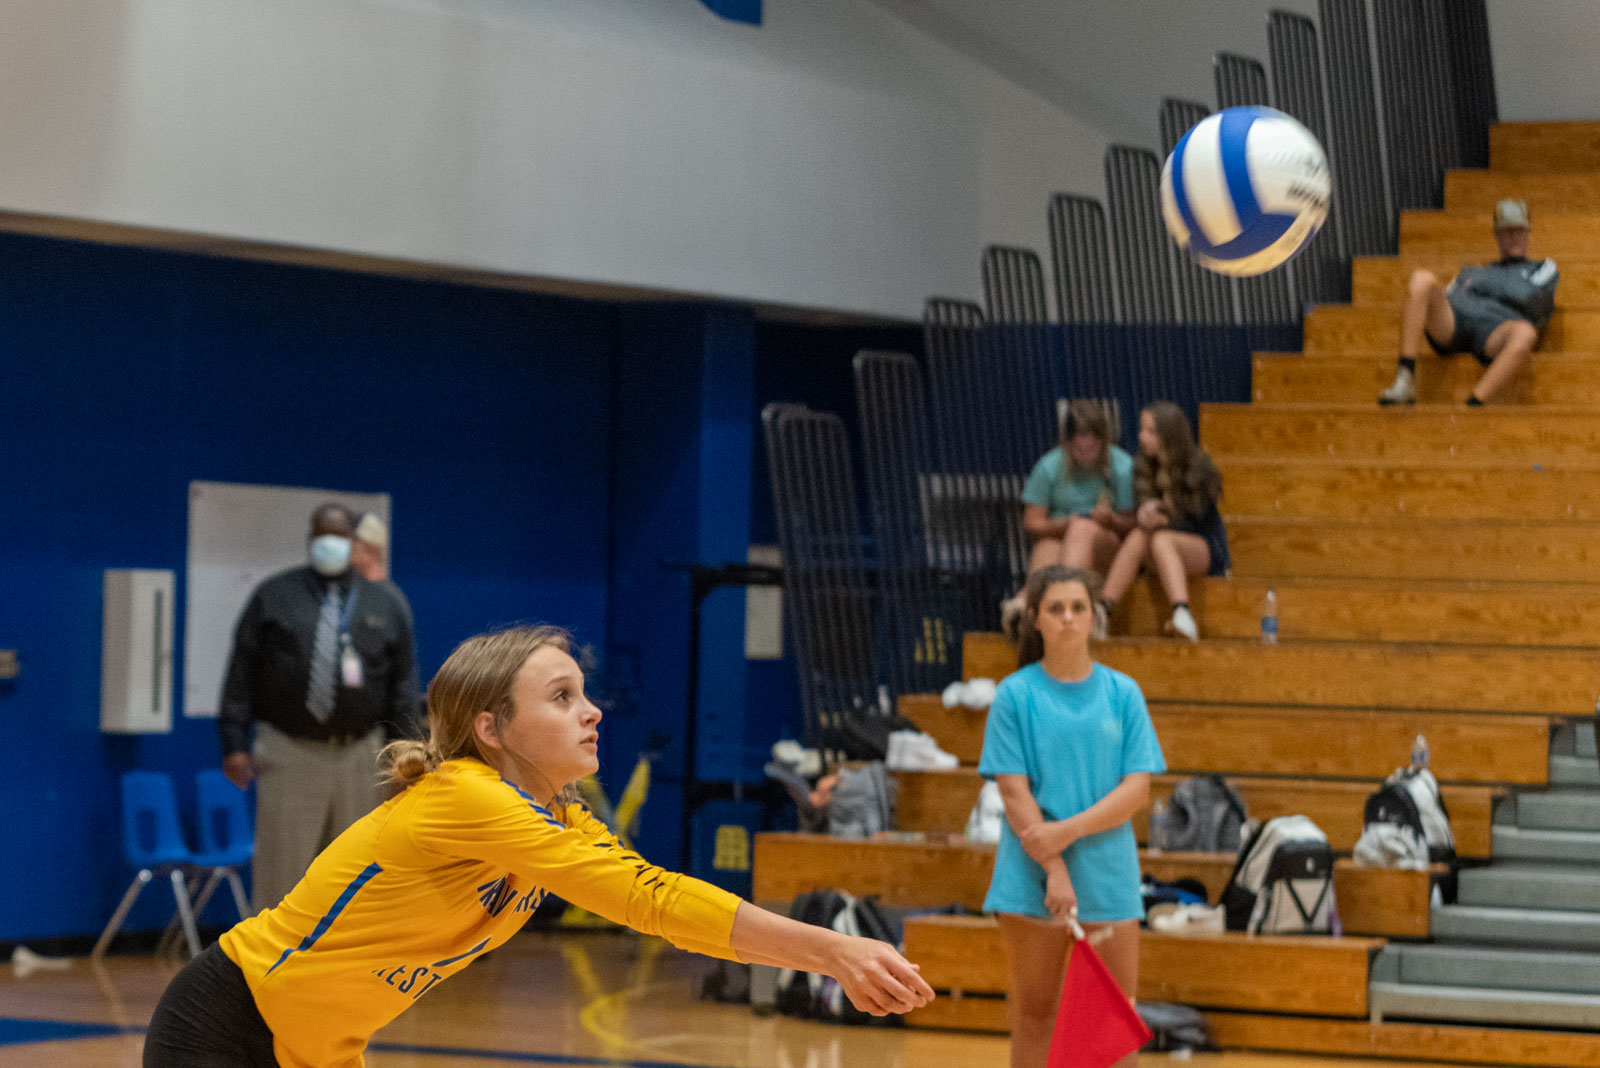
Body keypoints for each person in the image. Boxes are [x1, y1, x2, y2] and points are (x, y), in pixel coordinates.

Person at [149, 625, 932, 1067]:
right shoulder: (466, 796)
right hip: (230, 1023)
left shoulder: (562, 816)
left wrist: (831, 954)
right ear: (491, 728)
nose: (592, 713)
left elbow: (658, 897)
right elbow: (652, 901)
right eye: (562, 698)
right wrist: (833, 951)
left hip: (318, 1048)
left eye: (585, 694)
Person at [980, 565, 1165, 1068]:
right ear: (1035, 620)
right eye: (1056, 608)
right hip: (1031, 877)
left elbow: (1136, 790)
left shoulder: (1122, 693)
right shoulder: (1015, 695)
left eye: (1078, 607)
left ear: (1093, 617)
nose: (1068, 618)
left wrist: (1067, 832)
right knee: (1035, 1016)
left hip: (1108, 875)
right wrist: (1054, 867)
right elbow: (1013, 791)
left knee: (1112, 1021)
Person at [218, 502, 423, 912]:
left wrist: (404, 758)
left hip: (361, 754)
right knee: (282, 880)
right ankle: (277, 954)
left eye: (338, 536)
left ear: (352, 542)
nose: (330, 543)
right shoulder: (274, 595)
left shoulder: (385, 602)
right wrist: (234, 743)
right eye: (321, 535)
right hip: (290, 751)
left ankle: (348, 954)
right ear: (310, 539)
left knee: (358, 878)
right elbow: (241, 672)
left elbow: (403, 685)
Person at [1379, 198, 1559, 406]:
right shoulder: (1474, 271)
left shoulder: (1542, 267)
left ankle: (1474, 403)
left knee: (1526, 333)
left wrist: (1480, 286)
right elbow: (1451, 294)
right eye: (1507, 230)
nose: (1514, 236)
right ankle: (1404, 380)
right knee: (1421, 279)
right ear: (1496, 234)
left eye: (1519, 230)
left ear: (1528, 231)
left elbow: (1530, 298)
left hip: (1497, 329)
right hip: (1456, 322)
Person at [1004, 399, 1135, 641]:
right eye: (1078, 449)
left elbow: (1131, 526)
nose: (1085, 456)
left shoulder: (1123, 467)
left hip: (1106, 546)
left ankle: (1061, 603)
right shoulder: (1049, 466)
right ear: (1067, 443)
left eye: (1091, 449)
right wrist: (1062, 524)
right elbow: (1032, 522)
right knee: (1048, 544)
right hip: (1062, 537)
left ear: (1104, 442)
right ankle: (1027, 607)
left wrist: (1110, 520)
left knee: (1082, 529)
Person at [1097, 403, 1228, 642]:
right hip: (1162, 549)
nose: (1141, 437)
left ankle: (1182, 612)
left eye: (1150, 431)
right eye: (1141, 429)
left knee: (1160, 538)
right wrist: (1143, 514)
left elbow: (1199, 522)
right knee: (1140, 535)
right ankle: (1103, 610)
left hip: (1204, 548)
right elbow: (1144, 516)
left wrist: (1163, 519)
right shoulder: (1142, 466)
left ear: (1169, 435)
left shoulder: (1198, 467)